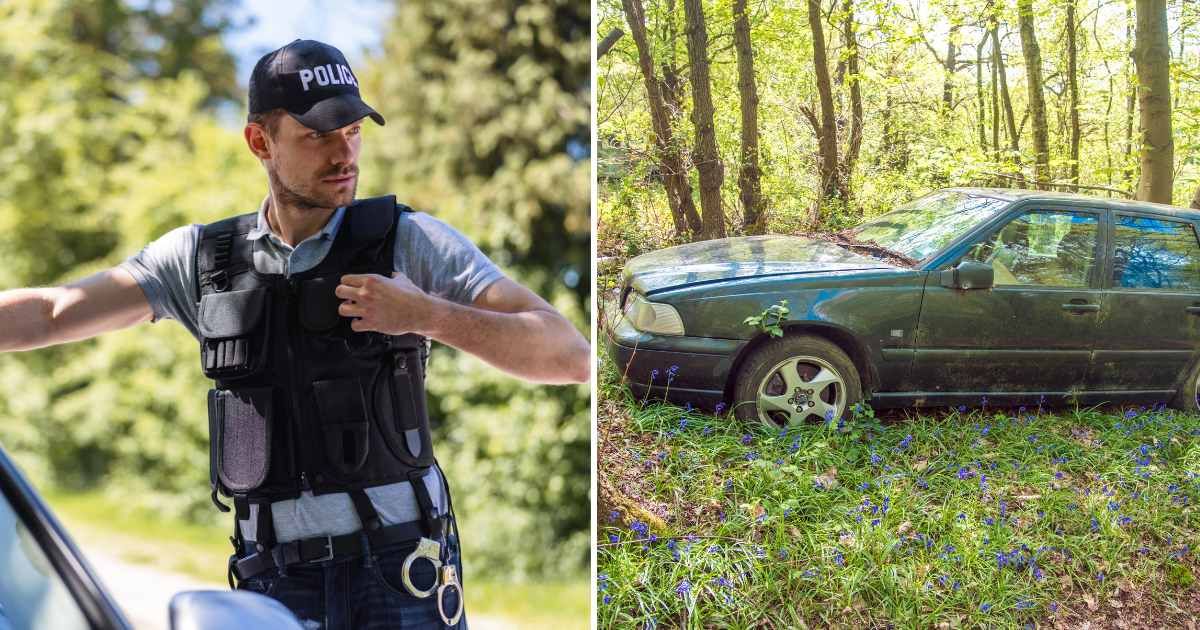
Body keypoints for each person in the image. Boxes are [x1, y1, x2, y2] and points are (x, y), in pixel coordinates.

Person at [0, 39, 590, 629]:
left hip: (400, 576)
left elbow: (568, 355)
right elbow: (53, 311)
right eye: (317, 135)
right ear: (261, 141)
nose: (344, 153)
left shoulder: (407, 241)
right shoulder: (203, 260)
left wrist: (425, 314)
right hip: (272, 583)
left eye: (353, 130)